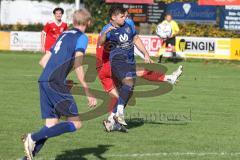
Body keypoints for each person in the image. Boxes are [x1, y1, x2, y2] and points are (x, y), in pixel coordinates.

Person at [21, 9, 97, 160]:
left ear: (73, 22)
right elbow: (78, 63)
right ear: (88, 22)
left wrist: (59, 77)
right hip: (55, 83)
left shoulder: (63, 34)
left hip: (44, 80)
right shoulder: (81, 37)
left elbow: (43, 61)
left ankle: (27, 158)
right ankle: (32, 137)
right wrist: (88, 91)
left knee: (50, 125)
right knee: (76, 124)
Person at [97, 6, 183, 132]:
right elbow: (100, 42)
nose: (125, 18)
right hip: (115, 62)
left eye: (125, 15)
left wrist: (145, 54)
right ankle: (118, 114)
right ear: (113, 18)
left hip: (129, 61)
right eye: (122, 16)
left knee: (127, 91)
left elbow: (135, 39)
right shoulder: (107, 29)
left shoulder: (129, 23)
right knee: (130, 82)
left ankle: (112, 121)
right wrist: (105, 33)